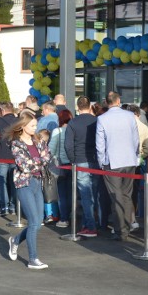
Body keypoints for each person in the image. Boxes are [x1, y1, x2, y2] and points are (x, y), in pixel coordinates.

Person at [6, 111, 52, 270]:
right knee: (33, 222)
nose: (35, 128)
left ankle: (16, 240)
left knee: (38, 222)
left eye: (35, 125)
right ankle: (33, 259)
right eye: (32, 125)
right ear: (23, 126)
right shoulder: (16, 143)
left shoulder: (38, 140)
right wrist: (38, 162)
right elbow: (23, 165)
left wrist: (35, 162)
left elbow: (48, 157)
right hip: (24, 184)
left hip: (37, 182)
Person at [95, 91, 140, 240]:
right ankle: (126, 227)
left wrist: (102, 162)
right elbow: (136, 139)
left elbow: (100, 144)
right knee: (127, 195)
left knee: (116, 197)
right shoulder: (129, 116)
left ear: (107, 103)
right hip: (129, 160)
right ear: (119, 100)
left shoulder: (102, 119)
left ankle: (121, 230)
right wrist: (135, 155)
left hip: (112, 162)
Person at [65, 96, 101, 238]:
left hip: (80, 160)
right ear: (90, 106)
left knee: (86, 195)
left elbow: (68, 145)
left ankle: (90, 226)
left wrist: (73, 160)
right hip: (95, 160)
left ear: (77, 107)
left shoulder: (73, 123)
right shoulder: (97, 121)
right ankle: (89, 224)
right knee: (93, 194)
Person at [49, 109, 73, 228]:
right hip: (73, 165)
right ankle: (71, 215)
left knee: (62, 193)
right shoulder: (73, 130)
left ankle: (64, 218)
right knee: (71, 192)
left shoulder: (57, 131)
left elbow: (51, 150)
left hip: (60, 165)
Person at [0, 102, 18, 215]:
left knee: (1, 182)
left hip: (1, 157)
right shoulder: (19, 122)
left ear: (2, 111)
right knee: (14, 182)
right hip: (16, 157)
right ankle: (13, 206)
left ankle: (4, 207)